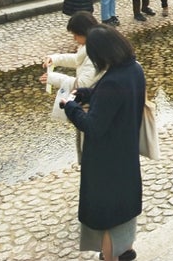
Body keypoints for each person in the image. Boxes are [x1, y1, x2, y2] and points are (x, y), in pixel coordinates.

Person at [62, 24, 144, 261]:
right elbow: (114, 100)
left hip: (106, 159)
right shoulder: (133, 69)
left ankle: (111, 257)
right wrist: (87, 94)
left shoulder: (112, 81)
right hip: (126, 150)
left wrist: (71, 107)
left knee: (108, 216)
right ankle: (126, 251)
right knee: (124, 207)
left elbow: (93, 126)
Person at [40, 11, 102, 158]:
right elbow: (77, 60)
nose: (74, 38)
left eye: (75, 35)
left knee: (89, 146)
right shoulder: (91, 45)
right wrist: (55, 59)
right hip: (91, 100)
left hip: (92, 104)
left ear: (83, 32)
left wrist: (53, 78)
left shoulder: (94, 51)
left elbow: (81, 84)